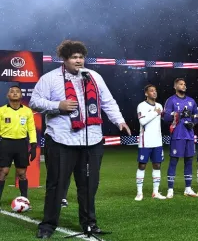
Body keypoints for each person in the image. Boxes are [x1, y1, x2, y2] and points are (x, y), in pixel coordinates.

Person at [30, 40, 131, 239]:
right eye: (74, 57)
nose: (79, 60)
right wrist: (58, 105)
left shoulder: (93, 77)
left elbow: (107, 101)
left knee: (88, 185)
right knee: (56, 185)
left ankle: (90, 224)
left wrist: (119, 121)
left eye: (81, 57)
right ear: (64, 59)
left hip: (91, 140)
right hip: (61, 141)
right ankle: (48, 225)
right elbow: (35, 102)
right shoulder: (49, 78)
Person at [163, 78, 198, 198]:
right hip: (177, 135)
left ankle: (188, 189)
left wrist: (194, 122)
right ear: (175, 86)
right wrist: (179, 114)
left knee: (189, 161)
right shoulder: (171, 100)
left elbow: (197, 115)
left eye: (185, 84)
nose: (184, 86)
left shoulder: (191, 101)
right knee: (174, 161)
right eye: (181, 84)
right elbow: (165, 118)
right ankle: (170, 189)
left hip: (189, 136)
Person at [0, 86, 37, 207]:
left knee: (22, 173)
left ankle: (25, 200)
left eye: (17, 92)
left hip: (21, 144)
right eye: (12, 92)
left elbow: (31, 129)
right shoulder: (2, 111)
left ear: (21, 96)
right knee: (3, 171)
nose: (15, 93)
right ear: (8, 96)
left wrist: (33, 145)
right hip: (5, 143)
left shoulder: (27, 111)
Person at [135, 84, 166, 201]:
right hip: (145, 141)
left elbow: (162, 118)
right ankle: (139, 193)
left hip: (157, 141)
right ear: (146, 93)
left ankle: (155, 192)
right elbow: (142, 121)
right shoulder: (141, 106)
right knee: (142, 165)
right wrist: (155, 113)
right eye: (151, 91)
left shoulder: (159, 106)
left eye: (155, 90)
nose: (154, 92)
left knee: (157, 165)